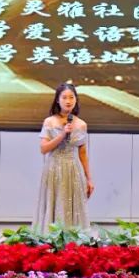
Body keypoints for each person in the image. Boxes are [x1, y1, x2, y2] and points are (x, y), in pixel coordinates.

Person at [33, 82, 94, 232]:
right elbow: (43, 149)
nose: (68, 101)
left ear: (76, 100)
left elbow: (82, 153)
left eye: (71, 97)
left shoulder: (81, 124)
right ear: (57, 100)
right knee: (55, 203)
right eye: (64, 97)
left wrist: (89, 179)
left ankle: (72, 239)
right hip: (54, 168)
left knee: (72, 205)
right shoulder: (50, 121)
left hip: (73, 169)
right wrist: (62, 134)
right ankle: (51, 237)